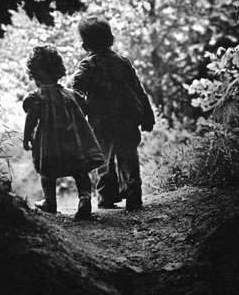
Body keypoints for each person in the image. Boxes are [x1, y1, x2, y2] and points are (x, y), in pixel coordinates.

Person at [72, 15, 155, 211]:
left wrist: (82, 113)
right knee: (129, 156)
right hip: (127, 118)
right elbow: (138, 90)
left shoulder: (87, 64)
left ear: (84, 46)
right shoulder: (123, 62)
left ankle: (107, 197)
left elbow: (77, 92)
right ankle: (134, 196)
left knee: (104, 158)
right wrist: (147, 116)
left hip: (101, 120)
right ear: (111, 39)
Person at [22, 44, 104, 220]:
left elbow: (31, 119)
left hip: (49, 146)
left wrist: (27, 136)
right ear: (58, 71)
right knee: (80, 172)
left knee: (47, 173)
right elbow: (84, 108)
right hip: (74, 144)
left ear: (35, 74)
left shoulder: (37, 97)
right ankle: (85, 199)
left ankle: (50, 202)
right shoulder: (71, 95)